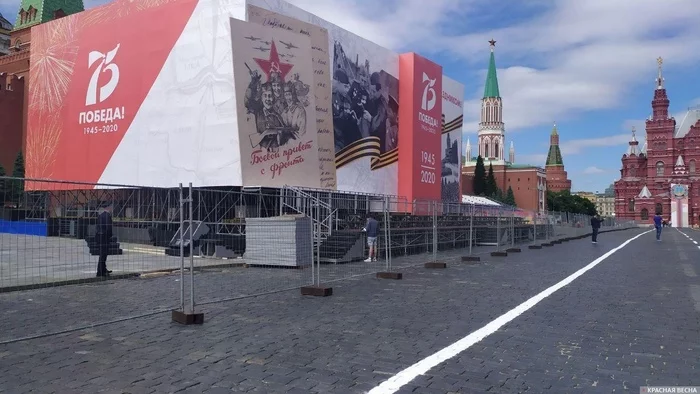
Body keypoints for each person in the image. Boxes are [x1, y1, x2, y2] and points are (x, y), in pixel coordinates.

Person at [96, 203, 114, 277]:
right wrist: (110, 236)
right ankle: (100, 271)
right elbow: (108, 228)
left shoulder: (101, 215)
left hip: (99, 236)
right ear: (108, 208)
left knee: (102, 254)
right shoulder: (107, 216)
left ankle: (103, 269)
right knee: (103, 255)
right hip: (104, 237)